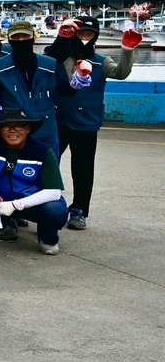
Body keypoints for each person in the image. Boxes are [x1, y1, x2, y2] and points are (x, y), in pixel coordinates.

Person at [48, 15, 139, 230]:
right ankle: (45, 201)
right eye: (80, 34)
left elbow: (121, 73)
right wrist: (61, 37)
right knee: (49, 163)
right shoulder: (59, 57)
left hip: (86, 122)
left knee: (83, 169)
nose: (84, 38)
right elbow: (45, 61)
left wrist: (126, 50)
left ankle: (79, 210)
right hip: (57, 119)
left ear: (95, 37)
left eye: (89, 35)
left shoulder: (101, 61)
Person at [0, 108, 69, 254]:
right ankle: (2, 229)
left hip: (32, 203)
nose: (12, 131)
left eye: (18, 126)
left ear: (27, 129)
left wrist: (16, 205)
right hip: (2, 201)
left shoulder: (42, 151)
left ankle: (47, 238)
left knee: (54, 209)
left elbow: (54, 192)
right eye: (6, 126)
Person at [0, 19, 62, 156]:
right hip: (13, 132)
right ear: (9, 40)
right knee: (13, 173)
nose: (21, 40)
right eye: (16, 37)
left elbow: (64, 93)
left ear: (33, 37)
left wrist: (79, 80)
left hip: (46, 131)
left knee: (48, 173)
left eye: (25, 36)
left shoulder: (51, 64)